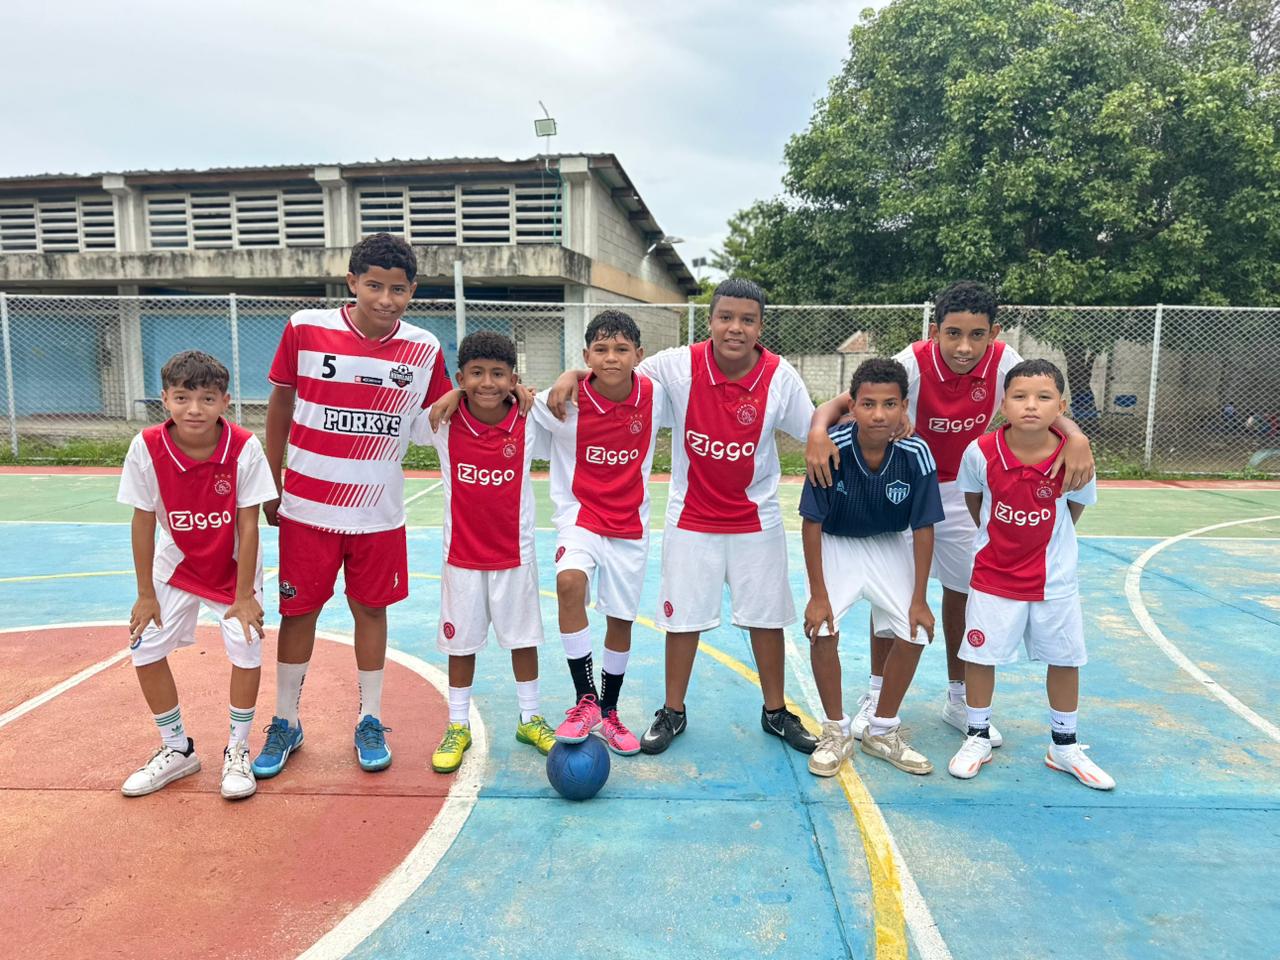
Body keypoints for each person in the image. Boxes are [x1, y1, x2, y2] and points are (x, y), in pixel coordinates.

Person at [806, 281, 1095, 746]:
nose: (964, 347)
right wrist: (818, 430)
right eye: (954, 334)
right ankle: (877, 694)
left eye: (977, 335)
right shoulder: (912, 361)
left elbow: (1037, 394)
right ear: (935, 331)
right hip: (908, 486)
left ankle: (958, 698)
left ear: (993, 334)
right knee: (893, 598)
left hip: (964, 487)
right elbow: (847, 401)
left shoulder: (1004, 360)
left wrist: (1075, 436)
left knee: (961, 594)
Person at [548, 278, 818, 757]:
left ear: (760, 327)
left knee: (767, 618)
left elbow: (813, 424)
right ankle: (673, 710)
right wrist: (572, 373)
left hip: (756, 519)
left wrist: (828, 422)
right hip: (692, 517)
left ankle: (775, 711)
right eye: (726, 317)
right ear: (710, 320)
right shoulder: (676, 367)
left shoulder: (780, 376)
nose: (735, 328)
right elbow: (615, 369)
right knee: (682, 620)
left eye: (747, 320)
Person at [254, 233, 453, 778]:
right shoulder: (305, 328)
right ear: (352, 282)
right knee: (299, 614)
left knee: (371, 611)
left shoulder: (424, 348)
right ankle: (286, 721)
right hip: (307, 508)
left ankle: (370, 718)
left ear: (412, 290)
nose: (385, 299)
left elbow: (437, 415)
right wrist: (271, 476)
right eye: (374, 286)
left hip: (378, 513)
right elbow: (280, 401)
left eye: (398, 289)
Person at [117, 350, 277, 800]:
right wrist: (145, 593)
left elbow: (249, 525)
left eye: (207, 399)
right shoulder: (146, 446)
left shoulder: (244, 446)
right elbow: (142, 521)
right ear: (165, 398)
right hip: (176, 564)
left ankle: (237, 749)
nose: (194, 409)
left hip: (232, 570)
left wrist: (244, 596)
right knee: (145, 647)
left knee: (246, 648)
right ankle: (177, 748)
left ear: (225, 401)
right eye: (182, 397)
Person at [947, 359, 1113, 790]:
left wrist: (1048, 545)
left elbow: (1072, 509)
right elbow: (974, 502)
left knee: (1065, 658)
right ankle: (977, 735)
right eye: (1019, 396)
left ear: (1061, 406)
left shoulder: (1076, 457)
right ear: (1003, 404)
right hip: (994, 577)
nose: (1031, 405)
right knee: (980, 656)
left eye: (1043, 397)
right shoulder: (980, 452)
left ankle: (1064, 746)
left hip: (1053, 580)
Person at [413, 332, 558, 773]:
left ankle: (530, 718)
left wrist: (542, 389)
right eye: (476, 374)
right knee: (461, 644)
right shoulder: (444, 422)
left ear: (514, 379)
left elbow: (571, 400)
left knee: (523, 639)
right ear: (460, 379)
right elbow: (408, 420)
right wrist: (450, 396)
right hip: (462, 555)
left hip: (515, 554)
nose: (487, 383)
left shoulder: (530, 420)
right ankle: (458, 724)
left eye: (498, 374)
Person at [801, 359, 944, 777]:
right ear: (852, 406)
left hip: (888, 543)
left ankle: (882, 730)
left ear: (904, 407)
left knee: (916, 630)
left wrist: (920, 598)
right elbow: (811, 524)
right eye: (868, 404)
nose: (879, 414)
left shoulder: (916, 453)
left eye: (889, 404)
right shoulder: (831, 447)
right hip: (837, 543)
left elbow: (923, 528)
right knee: (822, 628)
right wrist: (818, 594)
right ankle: (836, 731)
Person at [534, 310, 666, 755]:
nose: (612, 358)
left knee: (620, 619)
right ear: (586, 355)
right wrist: (458, 393)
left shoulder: (656, 395)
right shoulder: (563, 401)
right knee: (569, 583)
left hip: (630, 525)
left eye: (622, 349)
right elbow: (507, 404)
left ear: (638, 355)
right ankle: (585, 699)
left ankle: (609, 711)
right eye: (601, 350)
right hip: (581, 517)